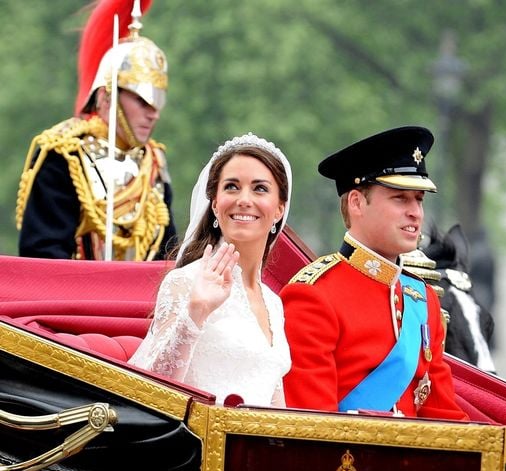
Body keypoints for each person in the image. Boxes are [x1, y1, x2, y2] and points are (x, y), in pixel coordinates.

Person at [280, 126, 468, 420]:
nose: (416, 212)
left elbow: (445, 417)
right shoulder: (313, 294)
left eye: (419, 199)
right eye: (400, 198)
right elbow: (311, 430)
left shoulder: (423, 299)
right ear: (356, 203)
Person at [129, 133, 292, 407]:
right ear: (215, 204)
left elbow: (277, 407)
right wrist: (196, 313)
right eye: (231, 187)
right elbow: (151, 393)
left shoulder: (274, 303)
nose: (244, 199)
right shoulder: (184, 282)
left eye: (260, 189)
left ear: (279, 210)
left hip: (254, 446)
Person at [15, 0, 177, 261]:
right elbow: (43, 252)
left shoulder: (153, 163)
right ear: (106, 96)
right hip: (72, 295)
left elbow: (165, 252)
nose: (153, 113)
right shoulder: (66, 155)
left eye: (157, 102)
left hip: (140, 299)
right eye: (141, 100)